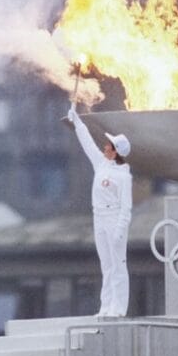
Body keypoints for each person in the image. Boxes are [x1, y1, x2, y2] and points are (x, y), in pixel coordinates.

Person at [67, 104, 133, 317]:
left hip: (114, 219)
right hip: (99, 218)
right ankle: (106, 307)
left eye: (109, 146)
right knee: (106, 265)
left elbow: (126, 207)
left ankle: (119, 308)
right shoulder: (100, 164)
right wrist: (77, 122)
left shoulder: (124, 177)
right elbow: (87, 144)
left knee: (118, 265)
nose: (104, 147)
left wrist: (120, 230)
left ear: (116, 153)